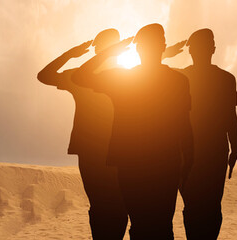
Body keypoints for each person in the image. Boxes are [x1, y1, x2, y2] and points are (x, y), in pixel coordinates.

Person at [73, 23, 194, 240]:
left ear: (138, 49)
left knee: (142, 225)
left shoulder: (123, 80)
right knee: (159, 226)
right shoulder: (177, 81)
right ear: (162, 46)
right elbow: (185, 127)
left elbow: (81, 75)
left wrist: (111, 51)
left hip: (135, 164)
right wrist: (187, 165)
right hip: (163, 164)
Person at [36, 29, 127, 240]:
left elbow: (44, 76)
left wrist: (71, 54)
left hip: (110, 149)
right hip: (99, 150)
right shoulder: (84, 76)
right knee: (107, 204)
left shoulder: (123, 76)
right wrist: (70, 54)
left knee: (108, 204)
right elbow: (44, 76)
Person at [177, 28, 237, 240]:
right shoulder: (225, 79)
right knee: (208, 207)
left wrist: (235, 149)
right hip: (205, 152)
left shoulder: (182, 78)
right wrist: (235, 148)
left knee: (199, 207)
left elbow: (230, 117)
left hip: (201, 153)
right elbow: (231, 117)